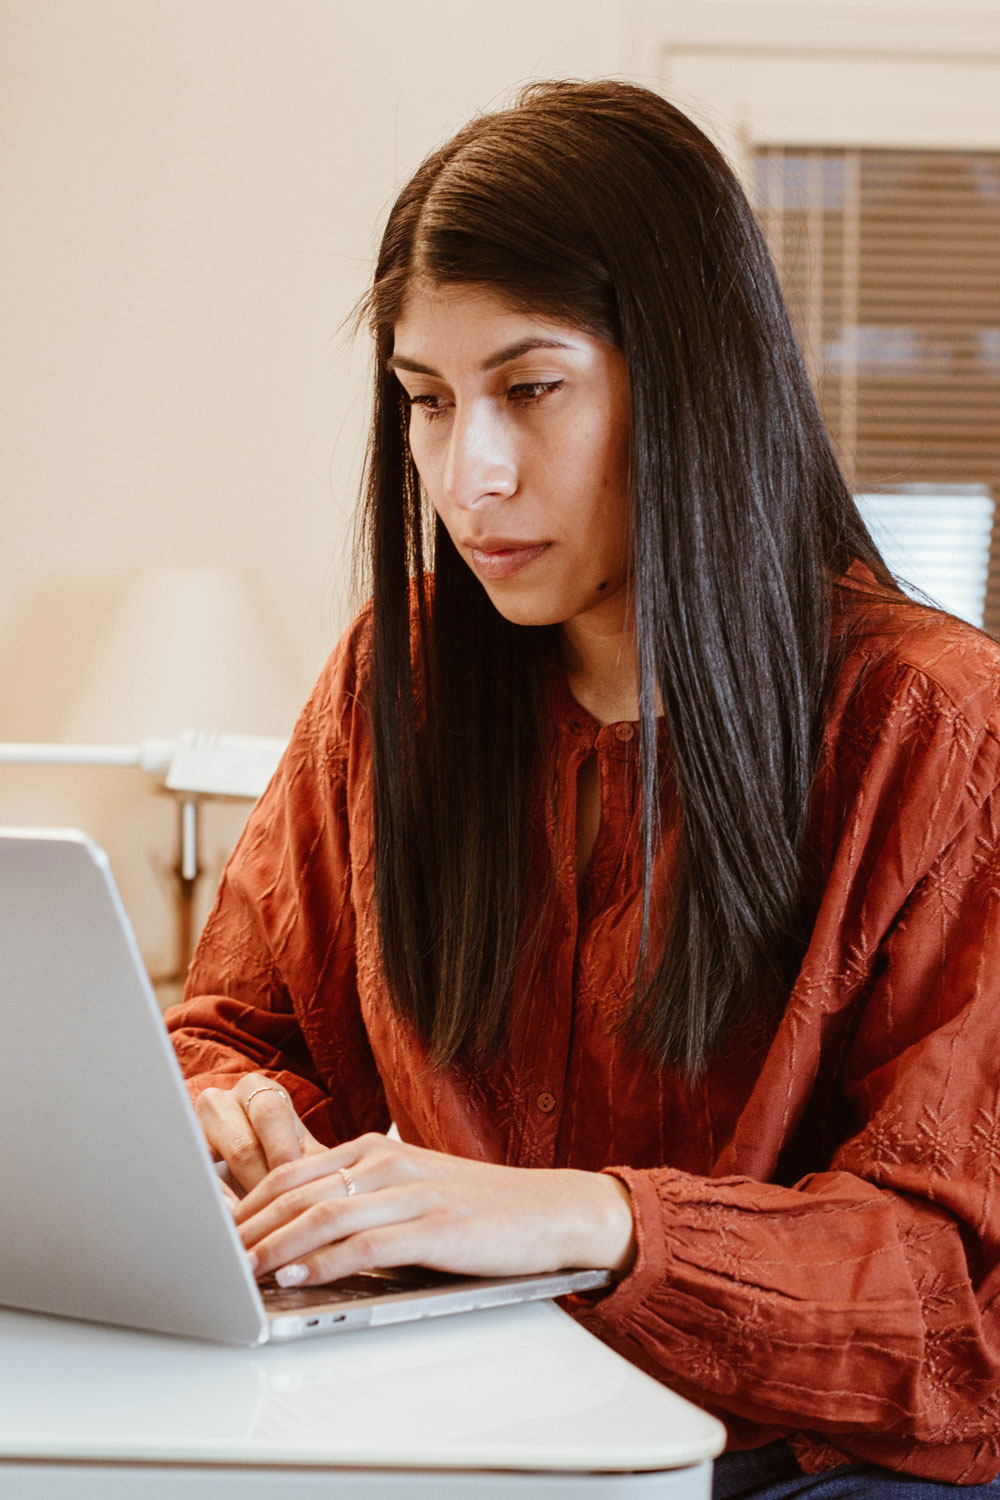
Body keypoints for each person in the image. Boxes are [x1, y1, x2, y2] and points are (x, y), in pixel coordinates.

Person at [165, 79, 1000, 1495]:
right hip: (440, 1430)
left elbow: (948, 1306)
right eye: (427, 404)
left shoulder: (938, 727)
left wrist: (593, 1222)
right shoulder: (401, 677)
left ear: (689, 377)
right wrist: (227, 1113)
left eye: (529, 389)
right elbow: (228, 1034)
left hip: (798, 1468)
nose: (468, 474)